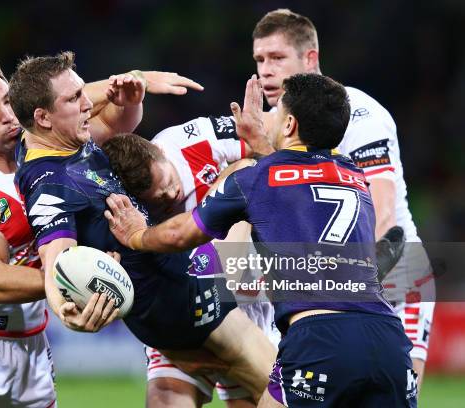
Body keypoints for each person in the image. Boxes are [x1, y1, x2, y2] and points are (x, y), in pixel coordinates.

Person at [105, 73, 417, 407]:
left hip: (318, 338)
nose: (271, 117)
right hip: (389, 341)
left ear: (289, 124)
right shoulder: (354, 176)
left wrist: (137, 235)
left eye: (277, 113)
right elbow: (298, 184)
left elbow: (179, 233)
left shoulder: (254, 178)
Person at [0, 59, 201, 407]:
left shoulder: (42, 150)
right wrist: (82, 276)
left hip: (31, 342)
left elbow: (78, 103)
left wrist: (138, 79)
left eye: (8, 101)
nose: (7, 115)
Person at [10, 51, 276, 403]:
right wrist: (65, 310)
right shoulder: (50, 182)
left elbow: (114, 118)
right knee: (290, 389)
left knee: (263, 388)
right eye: (74, 99)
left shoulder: (63, 140)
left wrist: (141, 79)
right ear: (43, 118)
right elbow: (55, 257)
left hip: (176, 290)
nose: (88, 102)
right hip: (185, 304)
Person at [248, 8, 434, 389]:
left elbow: (385, 220)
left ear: (310, 59)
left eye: (278, 58)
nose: (266, 70)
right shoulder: (272, 125)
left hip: (395, 280)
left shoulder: (360, 117)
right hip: (321, 288)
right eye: (260, 60)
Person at [102, 78, 278, 407]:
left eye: (168, 181)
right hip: (181, 309)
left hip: (248, 296)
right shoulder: (121, 210)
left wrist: (263, 138)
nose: (172, 195)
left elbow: (272, 151)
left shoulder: (193, 140)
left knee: (244, 172)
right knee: (165, 399)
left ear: (158, 152)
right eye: (160, 201)